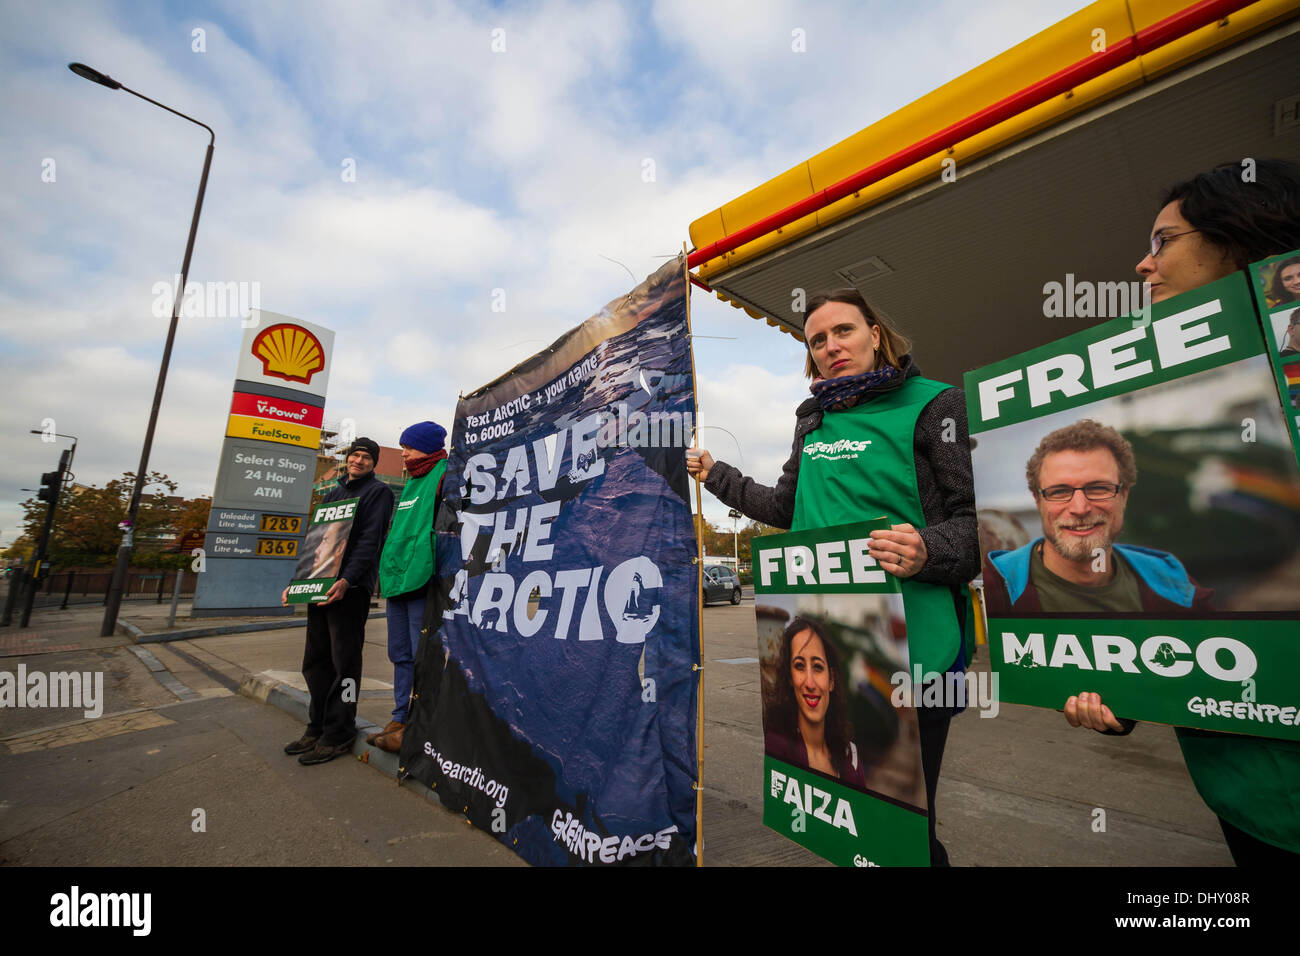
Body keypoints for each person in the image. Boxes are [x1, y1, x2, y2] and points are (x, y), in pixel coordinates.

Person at [1040, 159, 1300, 864]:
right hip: (1247, 795)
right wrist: (1123, 689)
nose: (1142, 264)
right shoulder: (1155, 436)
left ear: (1240, 238)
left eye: (1164, 241)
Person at [687, 288, 978, 865]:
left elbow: (980, 526)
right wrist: (717, 474)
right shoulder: (813, 420)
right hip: (826, 649)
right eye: (817, 340)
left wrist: (926, 548)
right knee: (850, 826)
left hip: (914, 655)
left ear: (875, 333)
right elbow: (782, 507)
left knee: (904, 833)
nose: (830, 346)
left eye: (843, 331)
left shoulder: (938, 404)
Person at [982, 420, 1214, 615]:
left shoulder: (1172, 582)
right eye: (1060, 491)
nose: (1080, 508)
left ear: (1124, 495)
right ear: (1038, 500)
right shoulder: (994, 590)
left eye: (1098, 488)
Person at [282, 438, 395, 765]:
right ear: (347, 459)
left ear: (373, 463)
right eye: (354, 455)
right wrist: (298, 582)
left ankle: (339, 732)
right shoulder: (332, 494)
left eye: (366, 457)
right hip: (319, 587)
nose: (358, 460)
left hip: (350, 589)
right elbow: (315, 544)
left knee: (343, 663)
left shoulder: (379, 493)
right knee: (316, 661)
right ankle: (316, 727)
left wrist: (348, 579)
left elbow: (370, 541)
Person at [369, 421, 448, 754]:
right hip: (398, 579)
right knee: (400, 654)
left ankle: (420, 724)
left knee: (421, 656)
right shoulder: (412, 481)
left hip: (422, 580)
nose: (403, 453)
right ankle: (400, 717)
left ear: (428, 447)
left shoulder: (445, 475)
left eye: (409, 447)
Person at [763, 617, 868, 789]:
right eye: (799, 666)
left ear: (831, 679)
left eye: (818, 667)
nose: (810, 683)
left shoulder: (850, 758)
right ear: (790, 678)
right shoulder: (774, 748)